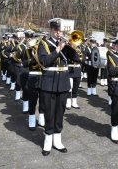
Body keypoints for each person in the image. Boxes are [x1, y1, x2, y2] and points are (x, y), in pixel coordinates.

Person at [37, 18, 75, 156]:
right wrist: (58, 48)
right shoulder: (44, 44)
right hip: (49, 83)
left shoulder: (66, 44)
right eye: (56, 30)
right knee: (49, 113)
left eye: (61, 30)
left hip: (63, 83)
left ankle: (57, 140)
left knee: (60, 112)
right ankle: (47, 141)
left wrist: (71, 46)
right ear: (51, 30)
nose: (59, 32)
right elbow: (45, 62)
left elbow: (77, 58)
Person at [22, 31, 45, 130]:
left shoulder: (44, 50)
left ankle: (41, 119)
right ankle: (31, 119)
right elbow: (24, 63)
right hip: (33, 77)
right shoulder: (27, 51)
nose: (36, 43)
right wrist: (33, 59)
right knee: (33, 100)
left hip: (44, 77)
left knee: (43, 100)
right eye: (35, 41)